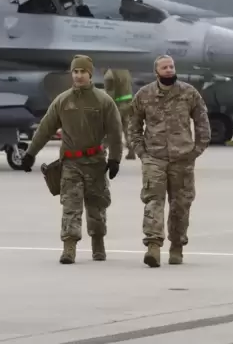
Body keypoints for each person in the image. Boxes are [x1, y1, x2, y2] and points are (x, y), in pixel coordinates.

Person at [19, 55, 124, 264]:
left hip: (95, 163)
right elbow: (45, 128)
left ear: (89, 74)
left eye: (82, 72)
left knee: (96, 206)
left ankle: (98, 242)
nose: (78, 76)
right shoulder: (63, 100)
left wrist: (115, 159)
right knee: (70, 205)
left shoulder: (103, 101)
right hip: (70, 163)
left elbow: (115, 132)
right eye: (75, 72)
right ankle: (69, 247)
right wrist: (30, 153)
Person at [127, 54, 211, 268]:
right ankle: (153, 247)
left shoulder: (188, 93)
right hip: (154, 158)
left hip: (182, 159)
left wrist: (196, 150)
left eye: (171, 66)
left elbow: (202, 121)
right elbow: (133, 125)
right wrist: (141, 153)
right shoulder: (144, 95)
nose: (169, 70)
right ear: (156, 72)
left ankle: (177, 246)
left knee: (180, 205)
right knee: (153, 201)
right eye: (164, 67)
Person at [103, 68, 136, 159]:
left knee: (110, 128)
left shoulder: (109, 74)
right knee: (127, 128)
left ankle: (102, 149)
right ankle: (131, 149)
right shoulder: (125, 71)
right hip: (128, 103)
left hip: (118, 104)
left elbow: (110, 92)